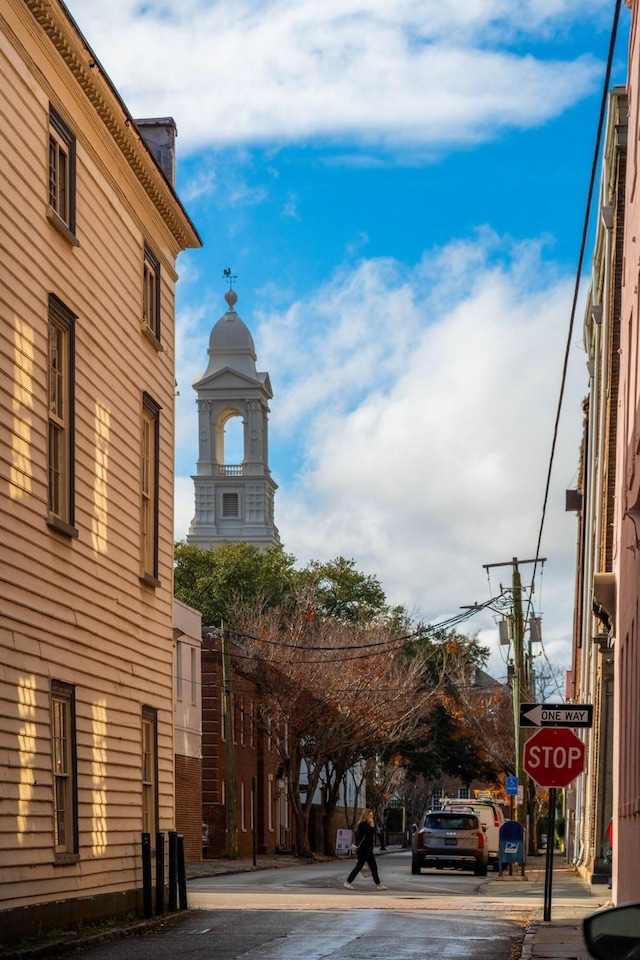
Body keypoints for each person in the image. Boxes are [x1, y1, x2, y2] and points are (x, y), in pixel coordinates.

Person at [344, 809, 387, 890]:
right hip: (363, 849)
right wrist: (372, 824)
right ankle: (348, 882)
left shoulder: (366, 824)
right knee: (359, 866)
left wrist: (372, 825)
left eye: (372, 816)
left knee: (374, 867)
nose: (371, 818)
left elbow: (373, 832)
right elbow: (371, 831)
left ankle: (379, 884)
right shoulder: (363, 825)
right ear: (366, 816)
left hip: (368, 849)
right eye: (370, 816)